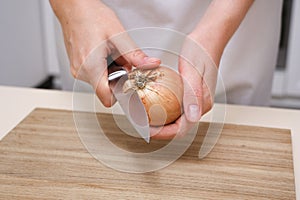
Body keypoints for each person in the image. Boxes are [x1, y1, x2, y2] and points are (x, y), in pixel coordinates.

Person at [49, 0, 283, 138]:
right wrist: (72, 8)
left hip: (230, 15)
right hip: (93, 16)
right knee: (95, 126)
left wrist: (216, 32)